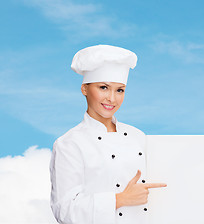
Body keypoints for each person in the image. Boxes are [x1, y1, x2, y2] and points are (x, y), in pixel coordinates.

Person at [49, 45, 167, 224]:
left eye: (119, 90)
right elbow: (65, 211)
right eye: (103, 87)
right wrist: (120, 200)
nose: (112, 98)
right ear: (85, 89)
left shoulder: (138, 137)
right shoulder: (69, 143)